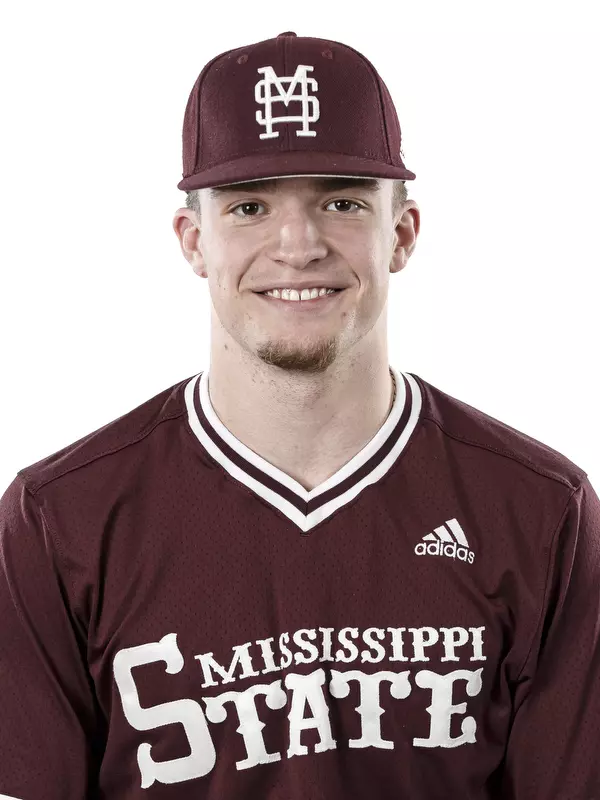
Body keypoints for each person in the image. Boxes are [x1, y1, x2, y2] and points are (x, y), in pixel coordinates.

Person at [0, 30, 598, 800]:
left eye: (341, 202)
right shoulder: (60, 520)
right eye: (249, 207)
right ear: (193, 242)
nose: (298, 245)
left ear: (402, 233)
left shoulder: (541, 510)